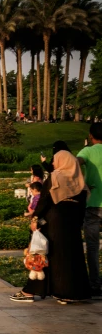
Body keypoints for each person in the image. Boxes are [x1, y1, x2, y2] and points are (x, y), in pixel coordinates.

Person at [12, 150, 91, 303]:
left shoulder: (55, 178)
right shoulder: (79, 181)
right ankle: (70, 293)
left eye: (55, 160)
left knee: (43, 255)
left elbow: (44, 200)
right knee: (71, 257)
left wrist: (35, 218)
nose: (53, 163)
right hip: (72, 225)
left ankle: (31, 290)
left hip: (54, 222)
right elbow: (82, 207)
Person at [77, 122, 102, 299]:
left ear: (91, 136)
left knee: (93, 247)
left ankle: (95, 284)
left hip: (93, 203)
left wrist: (83, 185)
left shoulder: (88, 151)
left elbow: (74, 163)